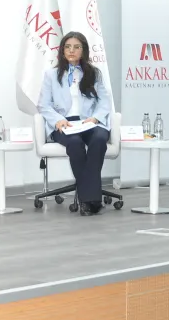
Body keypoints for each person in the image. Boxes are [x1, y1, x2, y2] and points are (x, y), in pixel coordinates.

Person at [37, 31, 113, 216]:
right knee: (75, 143)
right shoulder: (51, 75)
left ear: (83, 50)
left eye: (76, 47)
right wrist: (58, 120)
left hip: (89, 121)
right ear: (62, 50)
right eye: (68, 47)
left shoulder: (94, 73)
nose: (71, 51)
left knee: (99, 140)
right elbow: (43, 105)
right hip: (64, 124)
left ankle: (88, 198)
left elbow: (104, 101)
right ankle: (90, 201)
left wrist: (95, 118)